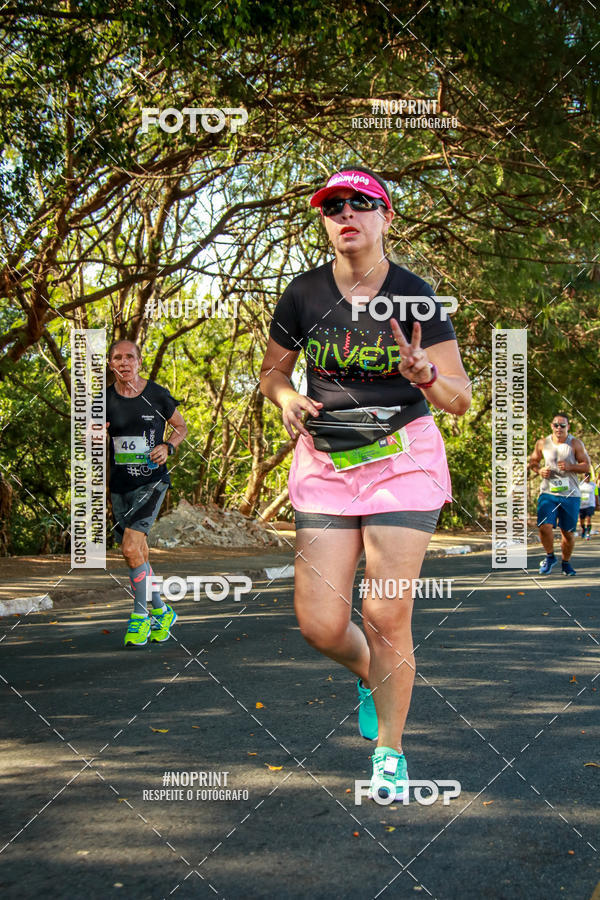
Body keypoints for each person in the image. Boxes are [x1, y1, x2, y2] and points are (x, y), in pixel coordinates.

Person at [259, 166, 471, 802]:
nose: (345, 214)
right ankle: (368, 674)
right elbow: (272, 372)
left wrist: (427, 372)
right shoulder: (302, 294)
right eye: (332, 207)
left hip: (401, 462)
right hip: (326, 464)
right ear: (325, 221)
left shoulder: (416, 295)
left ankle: (389, 754)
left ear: (384, 217)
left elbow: (459, 400)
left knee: (384, 612)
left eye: (360, 203)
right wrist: (287, 396)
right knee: (321, 625)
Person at [107, 340, 187, 646]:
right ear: (111, 363)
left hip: (152, 482)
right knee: (137, 552)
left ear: (139, 361)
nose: (124, 362)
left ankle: (139, 616)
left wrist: (168, 446)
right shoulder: (103, 400)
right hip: (120, 486)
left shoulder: (156, 394)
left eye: (130, 357)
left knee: (129, 548)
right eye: (118, 358)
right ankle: (162, 610)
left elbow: (180, 426)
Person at [528, 413, 589, 575]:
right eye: (556, 425)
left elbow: (586, 467)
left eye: (563, 425)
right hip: (548, 493)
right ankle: (550, 556)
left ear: (568, 427)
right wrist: (539, 470)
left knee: (567, 533)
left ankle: (566, 563)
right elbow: (533, 462)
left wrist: (570, 466)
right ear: (551, 426)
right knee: (543, 526)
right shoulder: (542, 443)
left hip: (571, 495)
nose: (559, 428)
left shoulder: (575, 444)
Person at [579, 472, 599, 539]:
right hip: (581, 505)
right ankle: (583, 529)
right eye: (585, 476)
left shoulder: (593, 485)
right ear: (583, 477)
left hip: (590, 505)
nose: (587, 478)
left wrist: (597, 504)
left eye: (588, 476)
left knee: (588, 519)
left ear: (590, 477)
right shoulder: (580, 485)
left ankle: (588, 533)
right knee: (581, 521)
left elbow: (596, 495)